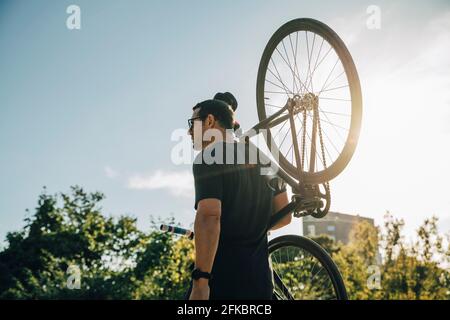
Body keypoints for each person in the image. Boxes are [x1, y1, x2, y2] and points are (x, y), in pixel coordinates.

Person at [186, 93, 292, 300]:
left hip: (223, 283)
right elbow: (284, 216)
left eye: (192, 123)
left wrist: (200, 283)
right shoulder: (262, 158)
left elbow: (209, 216)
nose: (189, 131)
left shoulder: (209, 157)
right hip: (261, 285)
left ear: (209, 120)